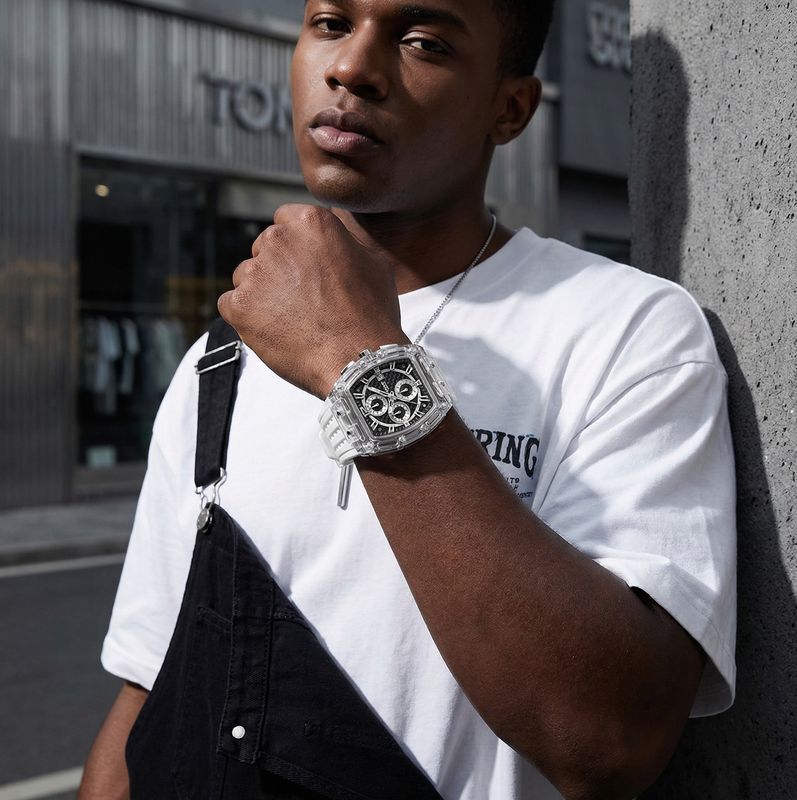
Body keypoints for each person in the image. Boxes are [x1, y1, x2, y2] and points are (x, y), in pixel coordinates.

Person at [79, 1, 736, 798]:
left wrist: (358, 359)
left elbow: (607, 737)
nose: (351, 68)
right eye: (330, 23)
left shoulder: (625, 331)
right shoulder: (220, 358)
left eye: (422, 42)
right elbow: (150, 689)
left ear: (509, 108)